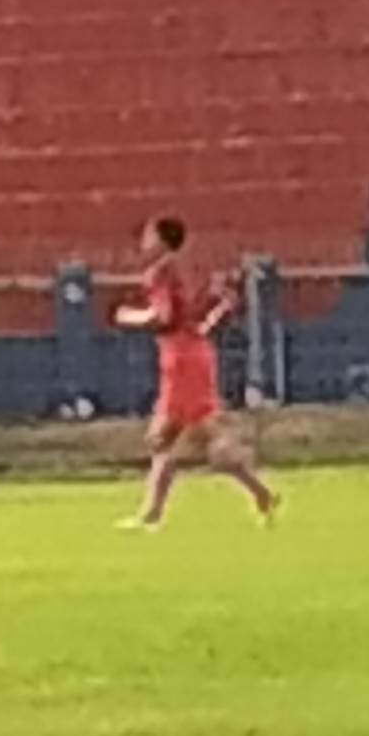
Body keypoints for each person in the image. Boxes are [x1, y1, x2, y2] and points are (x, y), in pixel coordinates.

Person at [116, 216, 279, 530]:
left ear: (162, 239)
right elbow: (196, 321)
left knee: (177, 438)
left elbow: (164, 317)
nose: (144, 239)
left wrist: (129, 317)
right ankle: (260, 494)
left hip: (181, 360)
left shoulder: (160, 273)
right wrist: (219, 311)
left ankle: (152, 513)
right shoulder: (185, 270)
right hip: (194, 353)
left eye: (150, 234)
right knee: (185, 438)